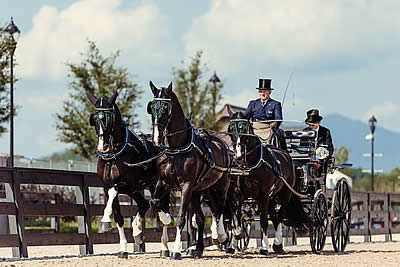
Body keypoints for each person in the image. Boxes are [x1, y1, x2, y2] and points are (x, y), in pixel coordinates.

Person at [246, 78, 286, 149]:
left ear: (270, 92)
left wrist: (275, 124)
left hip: (268, 129)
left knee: (278, 134)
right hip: (254, 129)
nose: (262, 94)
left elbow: (278, 118)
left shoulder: (275, 104)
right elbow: (246, 117)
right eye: (260, 91)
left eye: (264, 91)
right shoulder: (253, 103)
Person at [303, 109, 334, 182]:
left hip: (321, 160)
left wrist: (319, 159)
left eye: (312, 124)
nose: (311, 126)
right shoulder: (305, 132)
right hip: (308, 159)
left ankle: (318, 180)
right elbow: (302, 147)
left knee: (317, 166)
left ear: (318, 123)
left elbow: (330, 148)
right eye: (309, 124)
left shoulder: (325, 132)